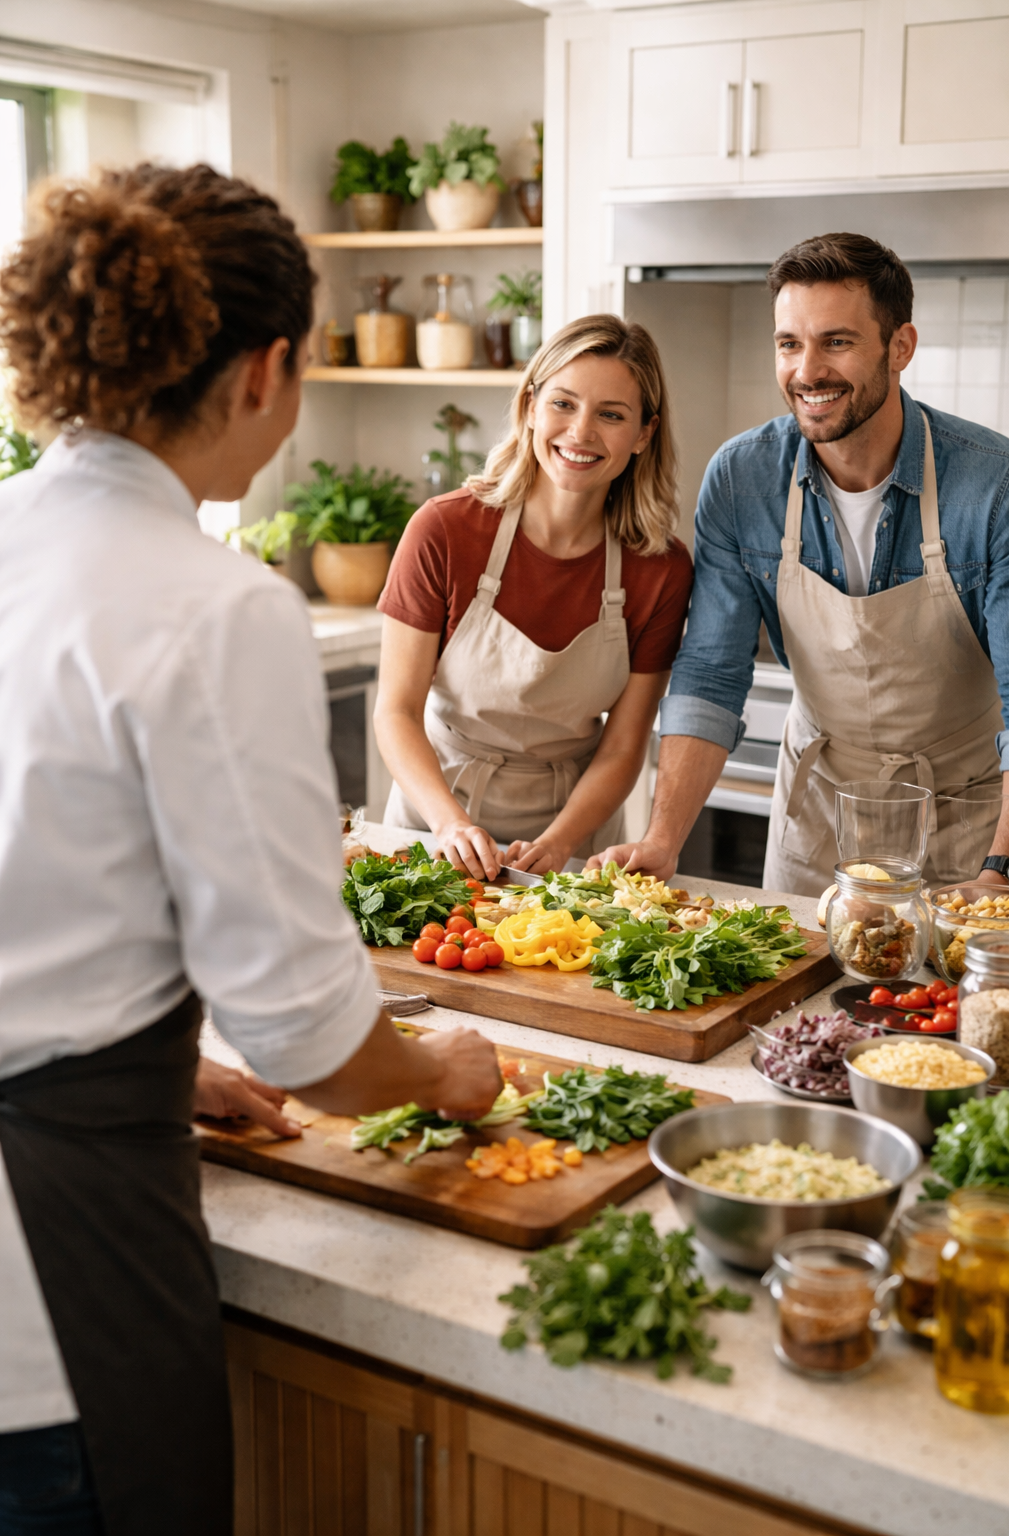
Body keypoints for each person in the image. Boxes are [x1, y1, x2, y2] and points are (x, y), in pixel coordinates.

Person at [0, 163, 500, 1536]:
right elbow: (314, 1042)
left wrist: (164, 1066)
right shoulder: (218, 611)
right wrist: (440, 1073)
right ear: (269, 370)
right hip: (52, 1300)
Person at [594, 233, 1009, 896]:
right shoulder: (743, 478)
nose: (807, 370)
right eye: (789, 343)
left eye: (838, 342)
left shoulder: (996, 486)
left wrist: (1004, 869)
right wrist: (662, 839)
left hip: (971, 818)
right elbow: (711, 672)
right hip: (821, 808)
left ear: (900, 347)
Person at [373, 315, 693, 882]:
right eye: (563, 404)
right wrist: (449, 825)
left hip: (576, 836)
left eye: (612, 415)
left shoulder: (659, 570)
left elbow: (623, 748)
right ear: (529, 407)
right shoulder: (443, 530)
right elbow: (396, 712)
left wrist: (559, 842)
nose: (581, 432)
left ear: (644, 433)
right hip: (432, 820)